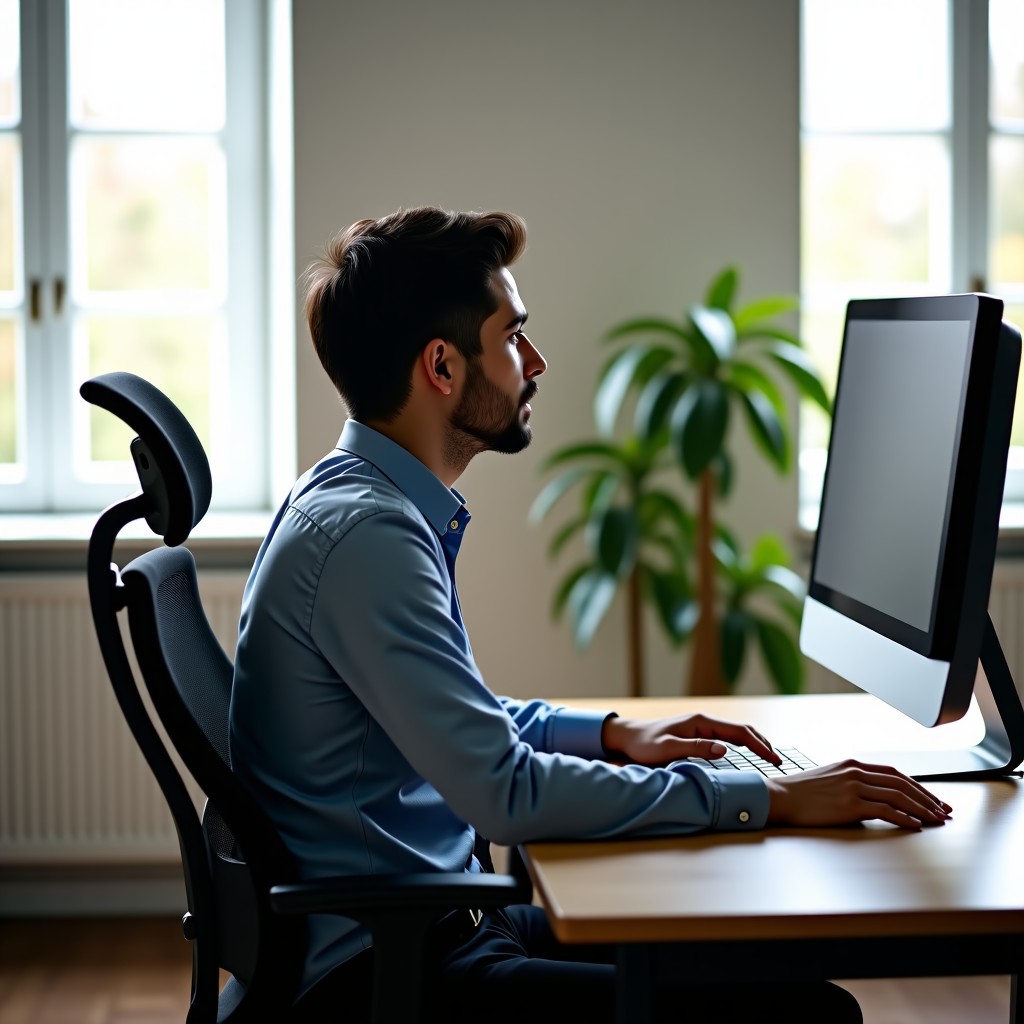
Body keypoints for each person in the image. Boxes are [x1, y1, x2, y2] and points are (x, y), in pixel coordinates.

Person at [228, 206, 952, 1023]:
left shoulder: (359, 504)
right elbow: (502, 790)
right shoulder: (368, 536)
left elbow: (458, 723)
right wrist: (763, 796)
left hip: (439, 926)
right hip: (387, 977)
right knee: (810, 1016)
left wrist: (612, 735)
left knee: (745, 961)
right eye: (512, 338)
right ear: (441, 366)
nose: (535, 362)